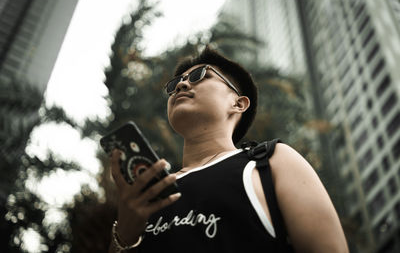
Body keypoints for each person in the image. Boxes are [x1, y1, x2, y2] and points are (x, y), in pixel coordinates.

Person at [108, 46, 349, 253]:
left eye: (199, 75)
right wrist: (125, 236)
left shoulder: (271, 162)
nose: (181, 84)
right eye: (174, 83)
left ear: (238, 103)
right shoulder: (148, 193)